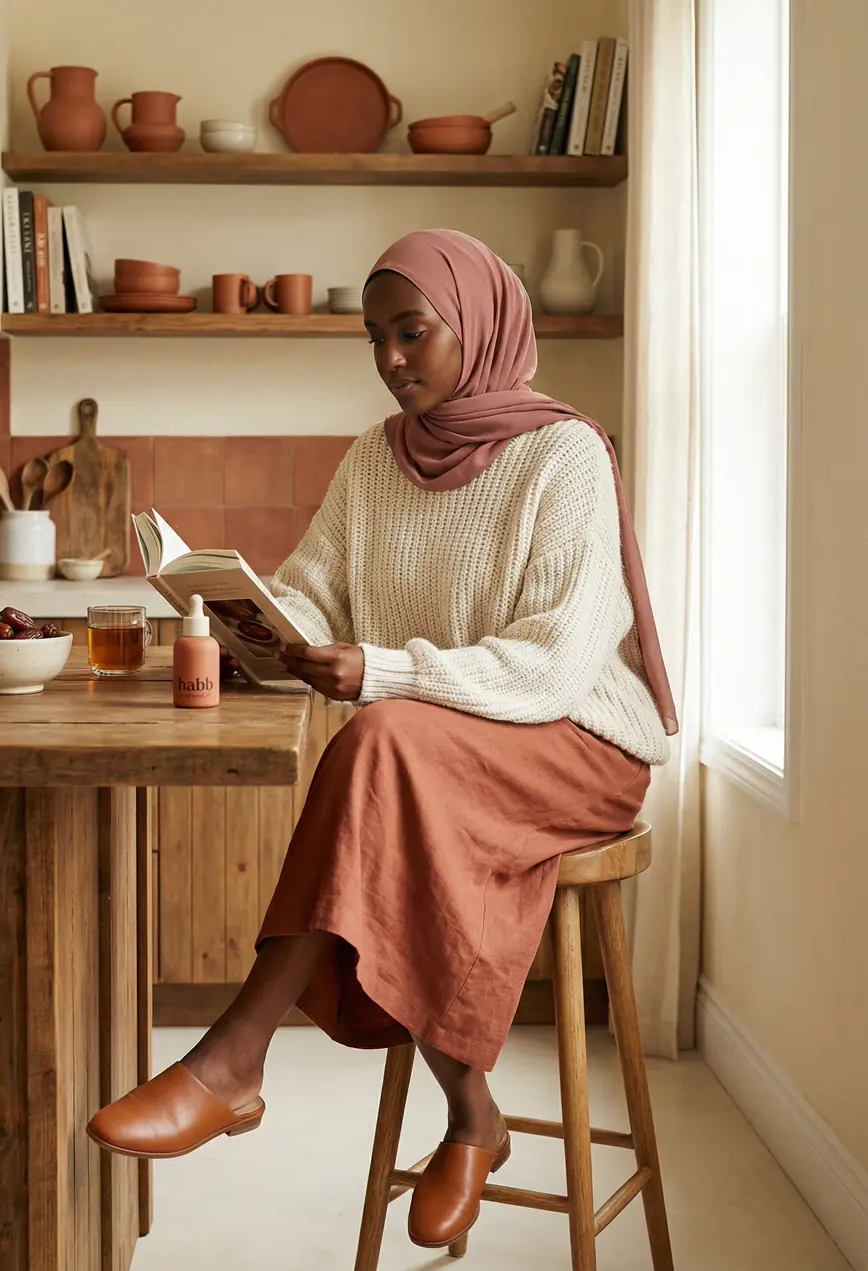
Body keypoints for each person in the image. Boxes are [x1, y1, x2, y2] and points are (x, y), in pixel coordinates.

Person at [87, 228, 676, 1250]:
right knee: (392, 757)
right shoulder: (375, 456)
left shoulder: (565, 452)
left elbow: (549, 662)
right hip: (436, 751)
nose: (393, 359)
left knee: (381, 741)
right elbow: (314, 591)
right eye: (374, 339)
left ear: (480, 325)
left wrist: (386, 669)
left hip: (577, 741)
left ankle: (233, 1059)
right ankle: (470, 1116)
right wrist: (244, 617)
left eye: (413, 332)